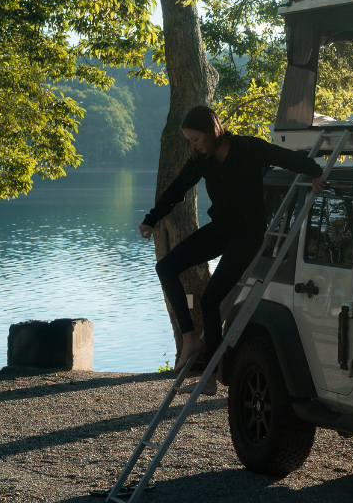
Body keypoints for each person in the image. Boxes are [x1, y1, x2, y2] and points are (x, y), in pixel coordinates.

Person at [139, 105, 325, 393]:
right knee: (165, 267)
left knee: (210, 300)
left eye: (196, 138)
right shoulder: (202, 161)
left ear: (211, 129)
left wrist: (315, 172)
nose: (194, 145)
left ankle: (210, 379)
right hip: (222, 230)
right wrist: (151, 219)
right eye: (189, 140)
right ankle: (190, 338)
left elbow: (284, 157)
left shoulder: (248, 148)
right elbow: (177, 189)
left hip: (248, 236)